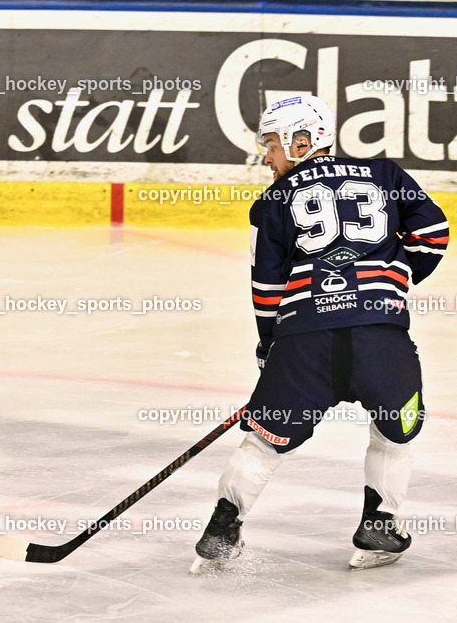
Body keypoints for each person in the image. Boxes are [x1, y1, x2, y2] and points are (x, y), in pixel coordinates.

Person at [192, 95, 448, 572]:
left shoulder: (271, 202)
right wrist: (394, 278)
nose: (265, 157)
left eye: (271, 145)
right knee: (395, 434)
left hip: (305, 342)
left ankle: (222, 532)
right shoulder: (387, 175)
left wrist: (270, 348)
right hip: (381, 336)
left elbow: (266, 288)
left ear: (303, 141)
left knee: (264, 442)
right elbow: (434, 232)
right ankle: (380, 526)